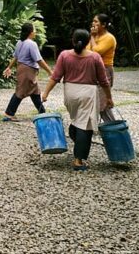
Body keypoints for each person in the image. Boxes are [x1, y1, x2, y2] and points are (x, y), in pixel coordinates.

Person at [42, 29, 113, 171]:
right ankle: (78, 161)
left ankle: (74, 134)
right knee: (85, 126)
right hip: (87, 93)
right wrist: (109, 97)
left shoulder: (64, 55)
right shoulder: (95, 57)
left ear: (73, 41)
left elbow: (55, 77)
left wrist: (45, 93)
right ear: (88, 43)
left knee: (77, 120)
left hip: (70, 93)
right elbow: (104, 81)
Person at [2, 22, 53, 121]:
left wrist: (9, 67)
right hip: (27, 71)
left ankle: (42, 112)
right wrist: (49, 71)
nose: (35, 32)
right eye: (34, 30)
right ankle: (9, 113)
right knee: (20, 92)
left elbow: (15, 57)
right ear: (30, 32)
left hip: (22, 69)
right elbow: (39, 60)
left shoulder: (19, 42)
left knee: (35, 91)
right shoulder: (31, 44)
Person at [88, 13, 117, 120]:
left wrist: (92, 36)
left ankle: (112, 127)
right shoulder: (95, 37)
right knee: (97, 101)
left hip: (105, 70)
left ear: (103, 25)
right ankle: (103, 126)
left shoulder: (109, 38)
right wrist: (93, 37)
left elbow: (96, 52)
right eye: (93, 21)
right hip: (93, 70)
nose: (93, 23)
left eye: (96, 21)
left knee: (102, 102)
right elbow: (87, 51)